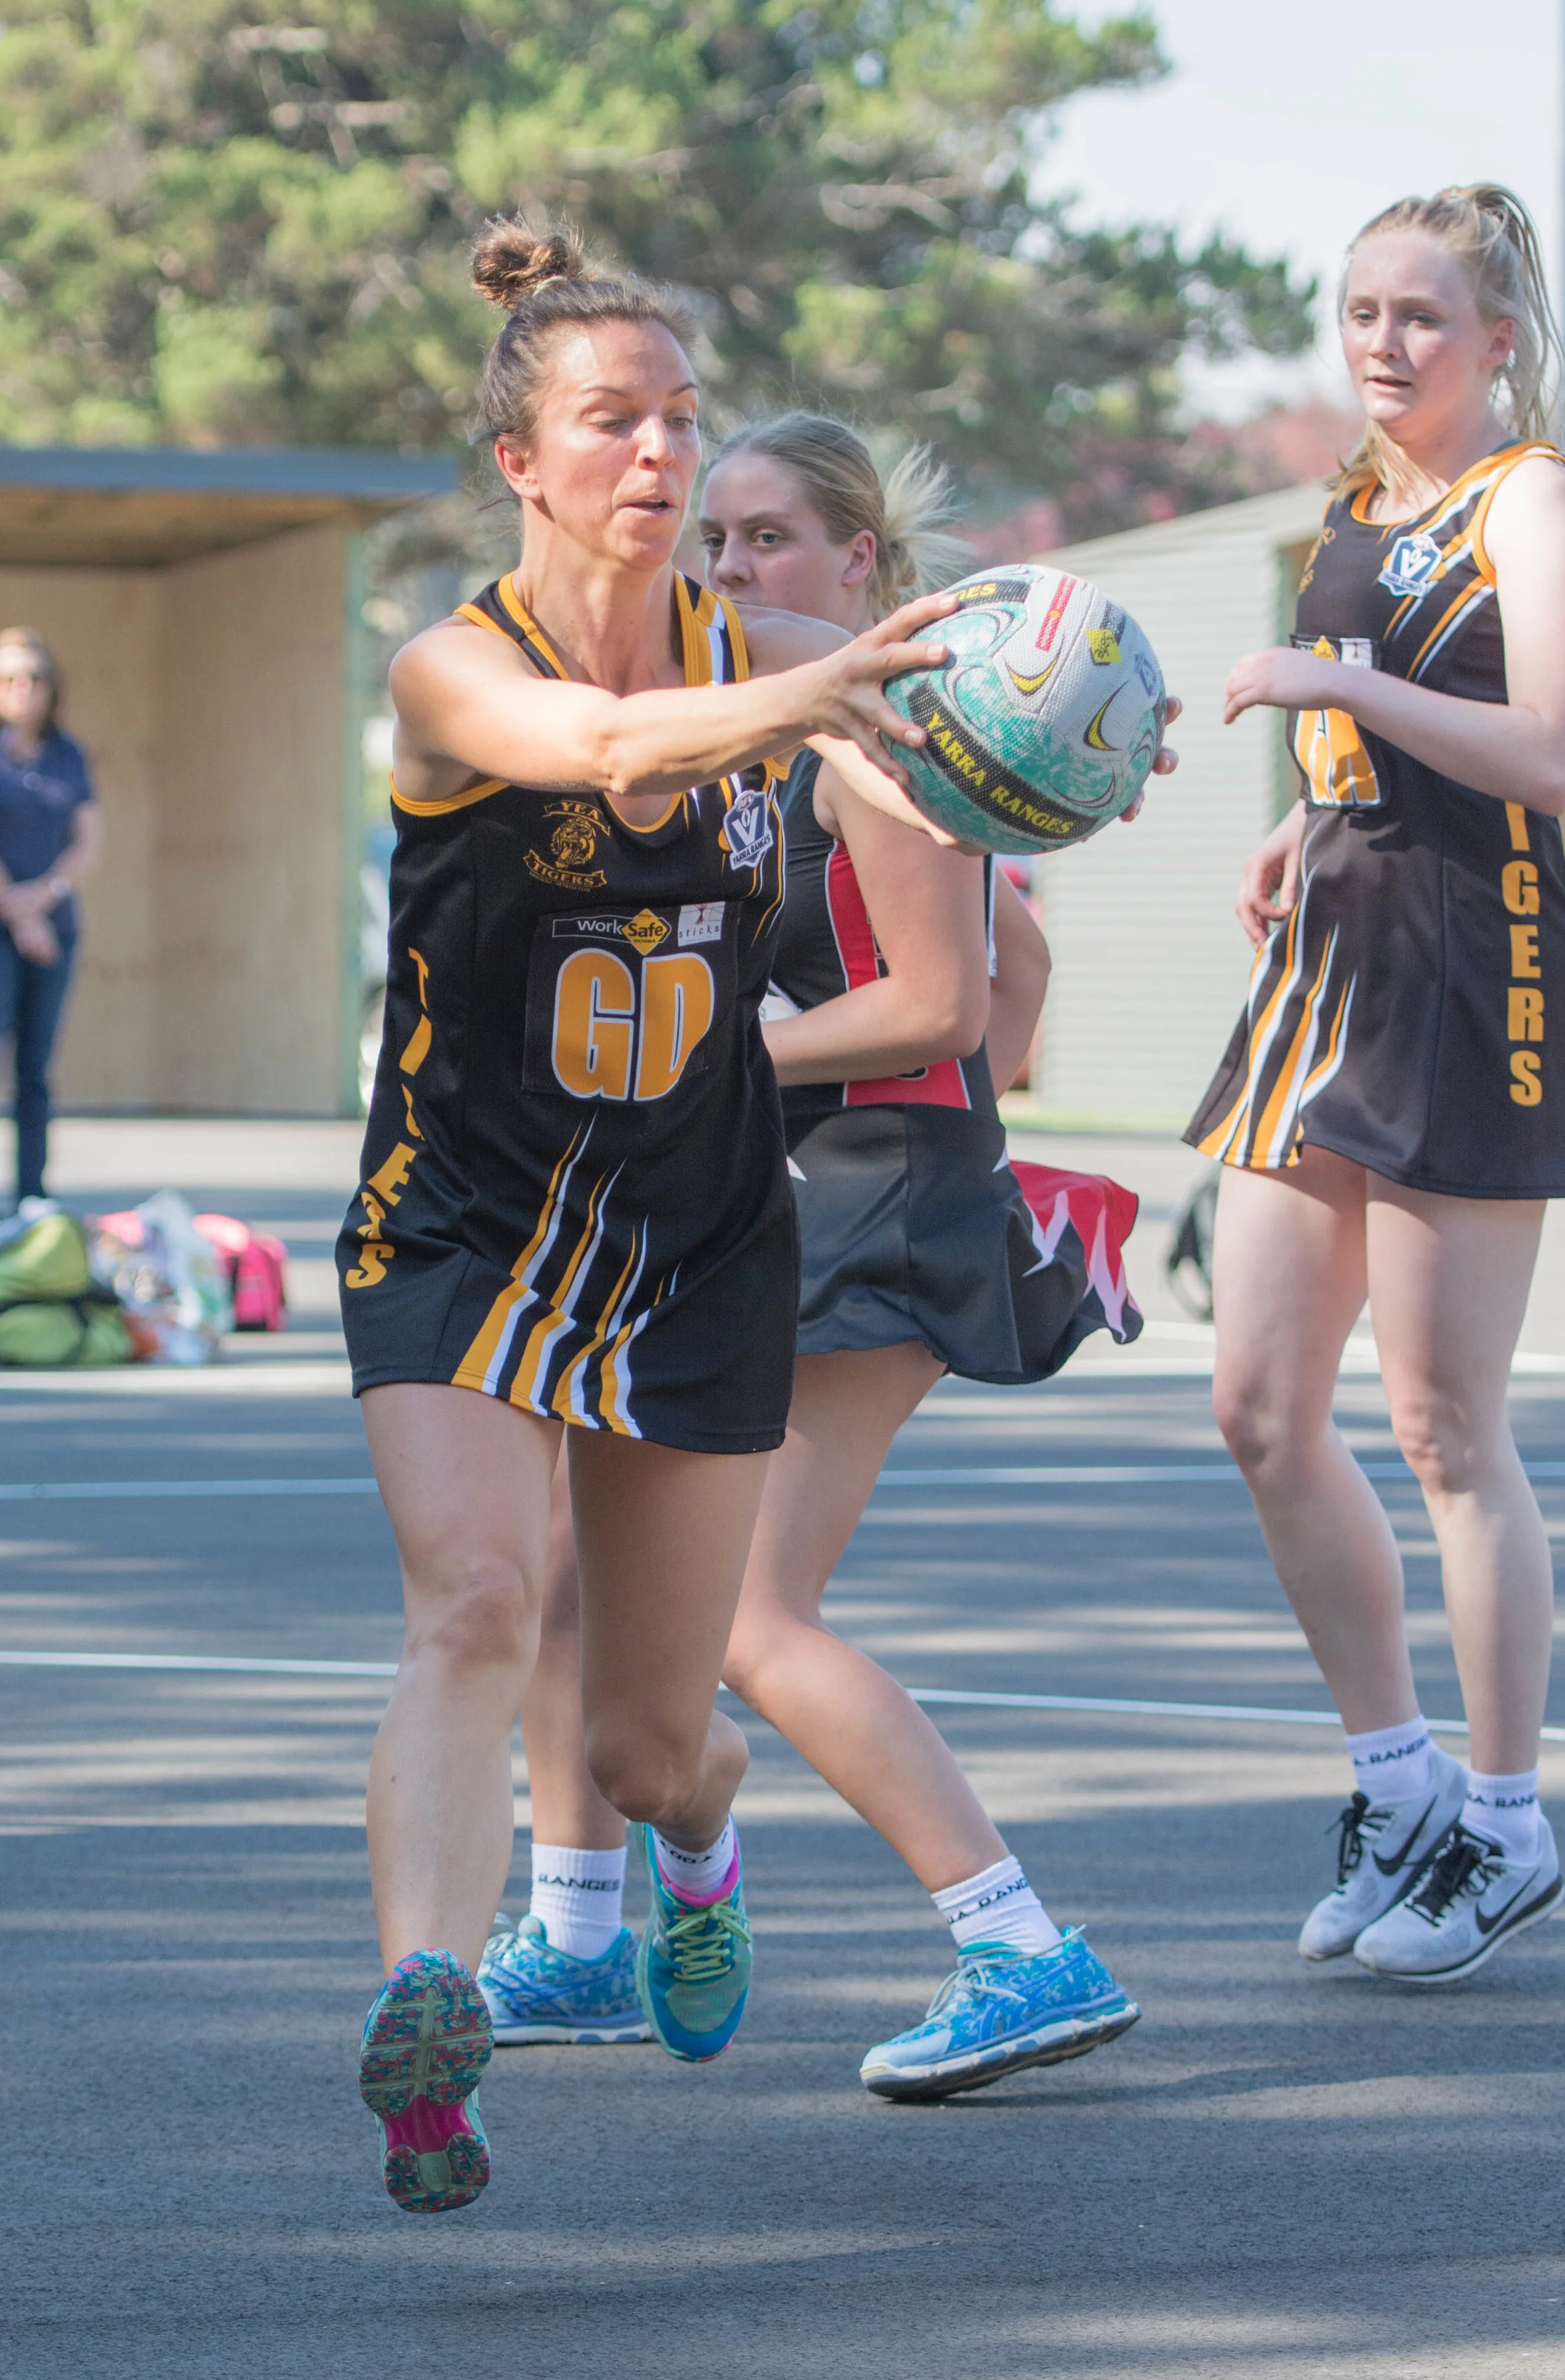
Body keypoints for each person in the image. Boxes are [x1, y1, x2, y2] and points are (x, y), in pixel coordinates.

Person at [340, 216, 974, 2214]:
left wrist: (1026, 746)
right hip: (458, 1211)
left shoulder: (774, 659)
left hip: (695, 1245)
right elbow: (601, 752)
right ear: (521, 462)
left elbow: (956, 775)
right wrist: (817, 702)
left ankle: (696, 1843)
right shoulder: (454, 669)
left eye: (680, 420)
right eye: (611, 422)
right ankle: (427, 2016)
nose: (658, 457)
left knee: (639, 1743)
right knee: (471, 1591)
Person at [481, 413, 1171, 2102]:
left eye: (771, 538)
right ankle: (579, 1940)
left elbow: (937, 1013)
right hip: (791, 1177)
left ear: (865, 565)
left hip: (880, 1191)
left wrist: (700, 1053)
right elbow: (1004, 1002)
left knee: (753, 1616)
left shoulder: (886, 741)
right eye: (716, 539)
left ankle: (1020, 1942)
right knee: (582, 1568)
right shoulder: (803, 736)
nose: (730, 571)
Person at [1184, 185, 1565, 1983]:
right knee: (1259, 1403)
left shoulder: (1535, 504)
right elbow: (1379, 720)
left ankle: (1506, 1819)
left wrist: (1320, 683)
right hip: (1329, 957)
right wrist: (1303, 804)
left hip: (1469, 961)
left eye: (1420, 315)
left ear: (1497, 338)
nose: (1380, 343)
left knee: (1442, 1425)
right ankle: (1397, 1777)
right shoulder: (1359, 503)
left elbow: (1547, 753)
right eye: (1358, 311)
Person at [0, 629, 102, 1211]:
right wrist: (19, 917)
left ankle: (32, 1197)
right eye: (11, 678)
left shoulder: (70, 754)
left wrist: (44, 898)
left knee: (35, 1071)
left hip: (53, 933)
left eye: (34, 678)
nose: (23, 689)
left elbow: (87, 843)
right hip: (12, 929)